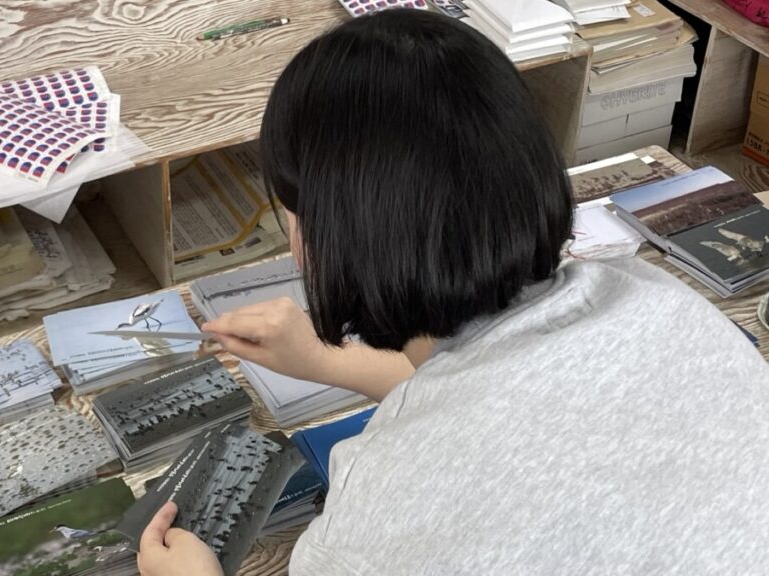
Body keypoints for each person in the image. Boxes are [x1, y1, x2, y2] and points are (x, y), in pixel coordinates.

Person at [137, 9, 769, 576]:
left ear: (335, 235)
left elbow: (473, 446)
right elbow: (513, 410)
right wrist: (324, 361)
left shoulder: (373, 524)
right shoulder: (652, 295)